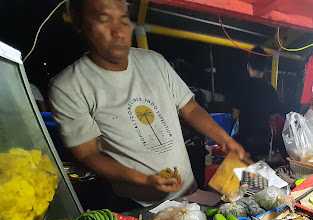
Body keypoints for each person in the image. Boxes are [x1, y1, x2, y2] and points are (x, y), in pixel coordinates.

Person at [49, 0, 246, 208]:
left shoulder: (154, 62)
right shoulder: (68, 86)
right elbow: (88, 154)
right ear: (79, 23)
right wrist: (145, 180)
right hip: (139, 205)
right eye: (104, 19)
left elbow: (190, 108)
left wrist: (225, 140)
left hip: (189, 193)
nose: (118, 31)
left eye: (124, 19)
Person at [232, 46, 282, 160]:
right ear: (264, 69)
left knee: (244, 172)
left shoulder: (241, 87)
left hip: (245, 141)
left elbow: (235, 115)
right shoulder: (271, 89)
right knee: (259, 172)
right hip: (263, 142)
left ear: (248, 66)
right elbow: (274, 117)